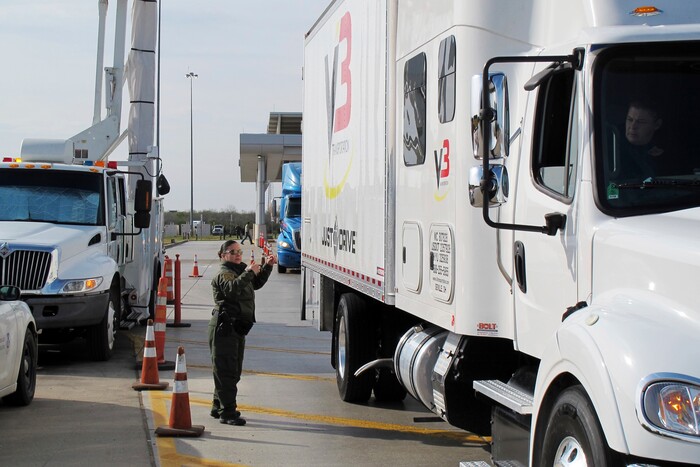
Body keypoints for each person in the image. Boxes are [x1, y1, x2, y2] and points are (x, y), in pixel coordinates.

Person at [208, 240, 276, 425]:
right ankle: (228, 412)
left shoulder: (239, 270)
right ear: (223, 255)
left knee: (231, 370)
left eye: (240, 251)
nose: (238, 254)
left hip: (236, 328)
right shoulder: (225, 274)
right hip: (225, 327)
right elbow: (232, 290)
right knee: (227, 371)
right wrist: (248, 273)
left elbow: (256, 283)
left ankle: (218, 406)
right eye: (233, 252)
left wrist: (267, 267)